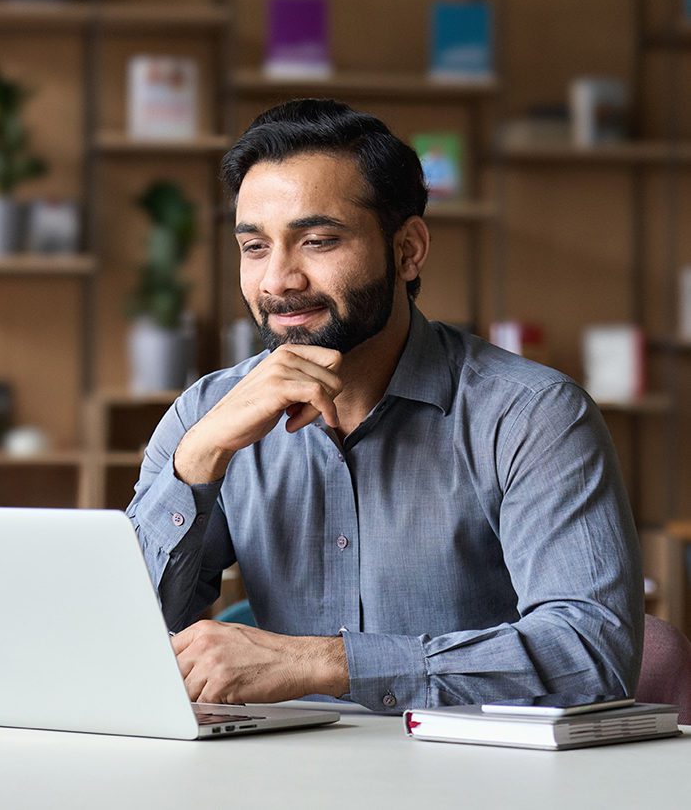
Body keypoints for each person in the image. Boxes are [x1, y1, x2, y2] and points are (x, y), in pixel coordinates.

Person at [126, 98, 643, 713]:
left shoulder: (533, 416)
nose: (278, 282)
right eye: (255, 247)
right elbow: (116, 641)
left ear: (408, 250)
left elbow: (592, 656)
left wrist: (326, 663)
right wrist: (198, 462)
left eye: (317, 241)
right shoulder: (205, 415)